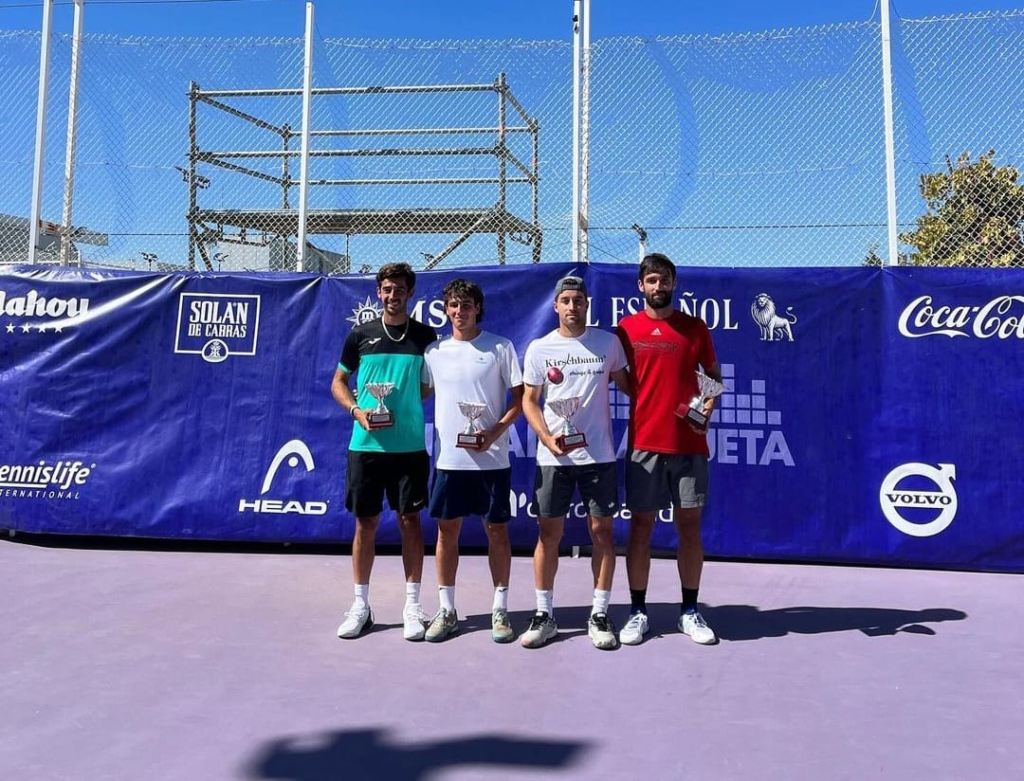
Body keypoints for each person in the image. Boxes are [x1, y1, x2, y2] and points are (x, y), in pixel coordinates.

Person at [615, 253, 722, 645]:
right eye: (652, 281)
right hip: (644, 444)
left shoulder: (695, 328)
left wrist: (704, 410)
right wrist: (646, 400)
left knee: (689, 528)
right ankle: (637, 611)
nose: (659, 287)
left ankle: (690, 611)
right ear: (641, 286)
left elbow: (712, 377)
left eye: (665, 280)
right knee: (641, 528)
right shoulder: (625, 330)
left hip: (690, 445)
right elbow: (622, 378)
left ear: (675, 283)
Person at [520, 275, 631, 650]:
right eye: (565, 300)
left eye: (578, 300)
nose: (572, 306)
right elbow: (529, 401)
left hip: (598, 455)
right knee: (548, 535)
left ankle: (599, 614)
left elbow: (632, 386)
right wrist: (547, 437)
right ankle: (544, 614)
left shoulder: (608, 344)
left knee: (602, 533)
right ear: (555, 306)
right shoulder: (539, 348)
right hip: (553, 457)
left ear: (587, 304)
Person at [331, 262, 437, 641]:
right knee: (366, 523)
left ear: (410, 294)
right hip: (366, 446)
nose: (393, 295)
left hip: (409, 447)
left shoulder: (427, 336)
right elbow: (339, 382)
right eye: (387, 289)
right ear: (379, 292)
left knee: (410, 522)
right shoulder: (360, 335)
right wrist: (359, 411)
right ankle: (361, 605)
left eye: (400, 290)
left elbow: (427, 387)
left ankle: (412, 605)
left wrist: (404, 404)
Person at [421, 279, 524, 643]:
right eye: (453, 305)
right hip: (450, 462)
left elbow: (519, 399)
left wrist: (493, 434)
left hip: (492, 461)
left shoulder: (500, 347)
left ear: (477, 308)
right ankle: (446, 610)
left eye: (466, 305)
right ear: (446, 309)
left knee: (496, 531)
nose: (459, 311)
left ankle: (500, 609)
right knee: (447, 532)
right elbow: (417, 392)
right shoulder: (433, 352)